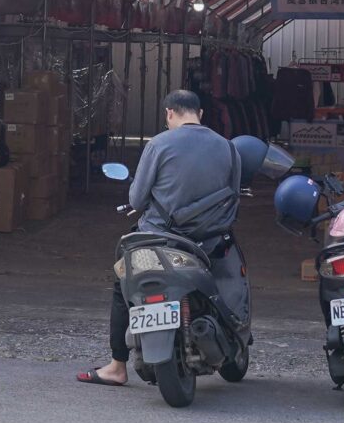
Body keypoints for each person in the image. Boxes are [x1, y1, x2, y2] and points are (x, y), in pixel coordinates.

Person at [78, 90, 246, 387]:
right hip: (208, 242)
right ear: (200, 114)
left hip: (159, 241)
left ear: (169, 113)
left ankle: (118, 366)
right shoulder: (229, 148)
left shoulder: (159, 144)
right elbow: (234, 198)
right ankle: (232, 330)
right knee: (228, 271)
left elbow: (137, 198)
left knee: (122, 283)